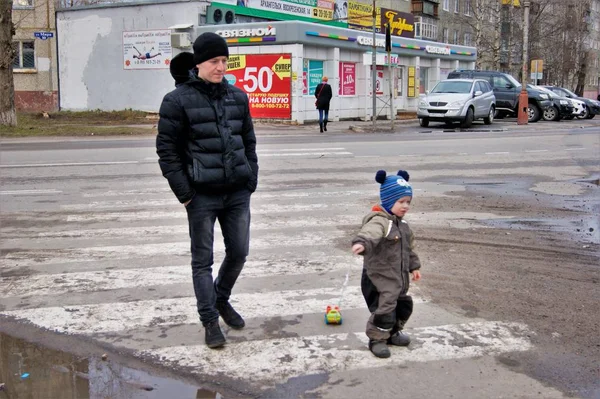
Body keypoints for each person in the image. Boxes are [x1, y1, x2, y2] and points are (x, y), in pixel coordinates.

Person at [156, 32, 259, 349]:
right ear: (199, 63)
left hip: (237, 193)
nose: (221, 67)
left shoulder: (237, 97)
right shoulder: (177, 101)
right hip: (201, 196)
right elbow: (167, 152)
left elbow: (249, 141)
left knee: (239, 253)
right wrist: (186, 193)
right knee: (202, 261)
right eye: (215, 61)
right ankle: (210, 321)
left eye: (225, 61)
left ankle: (221, 299)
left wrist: (250, 177)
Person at [351, 170, 422, 358]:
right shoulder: (381, 221)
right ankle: (377, 339)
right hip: (379, 277)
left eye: (408, 202)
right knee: (385, 308)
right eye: (401, 202)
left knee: (403, 305)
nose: (405, 206)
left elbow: (409, 248)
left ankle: (392, 332)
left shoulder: (403, 225)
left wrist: (414, 267)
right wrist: (362, 243)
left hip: (397, 278)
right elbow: (371, 232)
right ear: (389, 201)